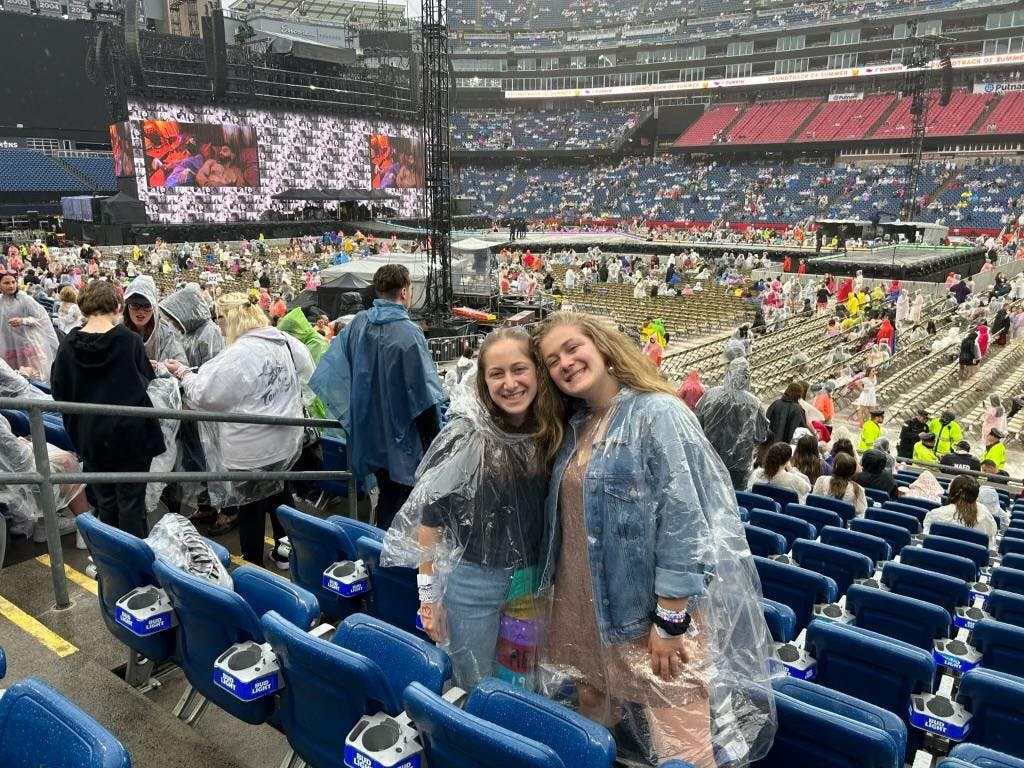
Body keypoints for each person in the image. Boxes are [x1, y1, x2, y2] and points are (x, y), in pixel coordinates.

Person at [533, 312, 775, 767]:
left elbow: (686, 521)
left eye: (572, 348)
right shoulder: (575, 425)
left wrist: (670, 619)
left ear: (603, 347)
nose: (564, 363)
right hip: (584, 611)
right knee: (594, 716)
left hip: (648, 616)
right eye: (551, 360)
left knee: (682, 743)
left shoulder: (657, 412)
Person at [381, 328, 559, 690]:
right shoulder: (467, 434)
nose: (509, 383)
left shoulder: (552, 429)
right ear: (483, 381)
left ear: (537, 371)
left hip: (531, 581)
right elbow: (429, 524)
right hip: (472, 584)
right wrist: (429, 599)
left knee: (518, 684)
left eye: (518, 369)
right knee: (472, 685)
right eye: (497, 373)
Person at [164, 293, 313, 568]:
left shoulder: (240, 353)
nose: (217, 325)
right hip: (285, 442)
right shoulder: (285, 341)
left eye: (219, 318)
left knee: (251, 507)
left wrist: (184, 374)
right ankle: (286, 554)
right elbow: (306, 373)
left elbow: (207, 395)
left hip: (250, 449)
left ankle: (253, 563)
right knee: (280, 496)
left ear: (231, 318)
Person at [310, 265, 446, 530]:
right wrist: (434, 444)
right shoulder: (409, 333)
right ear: (405, 291)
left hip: (370, 432)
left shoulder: (359, 323)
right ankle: (388, 558)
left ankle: (381, 551)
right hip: (403, 440)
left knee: (387, 494)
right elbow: (424, 395)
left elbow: (334, 371)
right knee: (402, 504)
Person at [50, 280, 165, 537]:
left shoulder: (69, 344)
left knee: (106, 504)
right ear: (117, 305)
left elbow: (59, 390)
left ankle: (111, 566)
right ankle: (134, 570)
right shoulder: (129, 340)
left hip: (91, 437)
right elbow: (145, 383)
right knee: (132, 505)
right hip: (130, 438)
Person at [695, 357, 769, 489]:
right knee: (735, 499)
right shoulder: (754, 403)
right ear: (746, 377)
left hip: (709, 458)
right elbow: (761, 436)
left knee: (708, 493)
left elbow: (696, 423)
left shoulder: (710, 395)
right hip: (739, 464)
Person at [0, 270, 59, 384]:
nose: (11, 285)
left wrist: (24, 320)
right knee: (13, 377)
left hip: (28, 345)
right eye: (6, 283)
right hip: (8, 345)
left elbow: (43, 319)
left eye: (13, 282)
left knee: (33, 377)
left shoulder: (24, 299)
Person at [922, 475, 998, 549]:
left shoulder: (936, 514)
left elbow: (926, 539)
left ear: (952, 491)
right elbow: (990, 544)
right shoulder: (986, 514)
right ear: (976, 494)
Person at [747, 442, 812, 504]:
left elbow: (749, 490)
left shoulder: (756, 473)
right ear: (787, 460)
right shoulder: (793, 479)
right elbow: (808, 488)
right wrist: (791, 470)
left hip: (760, 510)